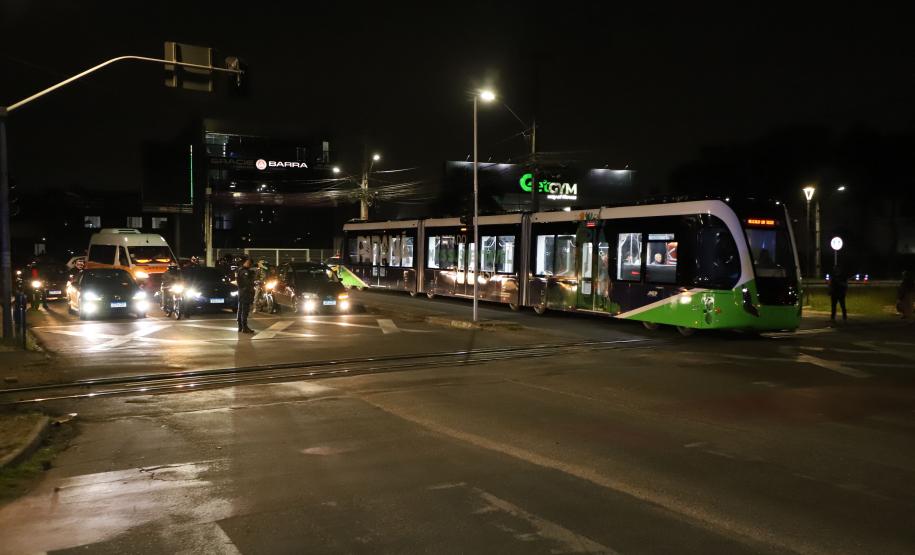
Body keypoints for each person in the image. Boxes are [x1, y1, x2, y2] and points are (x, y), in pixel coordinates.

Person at [235, 257, 256, 334]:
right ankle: (244, 327)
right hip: (245, 292)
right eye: (248, 262)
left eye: (250, 263)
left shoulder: (240, 270)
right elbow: (247, 283)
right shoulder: (245, 272)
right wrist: (253, 283)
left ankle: (240, 327)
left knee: (240, 309)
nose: (249, 264)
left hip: (241, 292)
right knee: (244, 310)